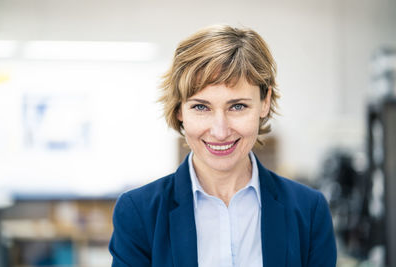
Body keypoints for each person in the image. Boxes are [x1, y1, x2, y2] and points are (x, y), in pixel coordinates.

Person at [109, 25, 337, 267]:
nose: (220, 131)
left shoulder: (309, 211)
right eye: (201, 107)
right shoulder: (138, 213)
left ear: (265, 103)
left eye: (237, 106)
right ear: (179, 110)